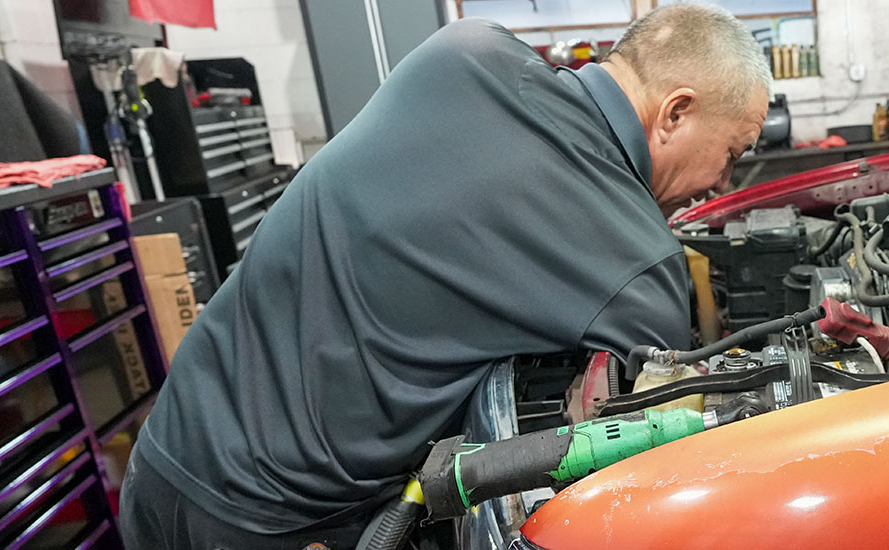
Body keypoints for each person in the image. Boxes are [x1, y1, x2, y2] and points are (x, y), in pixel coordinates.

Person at [118, 5, 772, 548]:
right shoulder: (636, 266)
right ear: (676, 111)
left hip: (165, 454)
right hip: (270, 523)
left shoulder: (461, 50)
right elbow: (659, 444)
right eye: (732, 154)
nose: (721, 184)